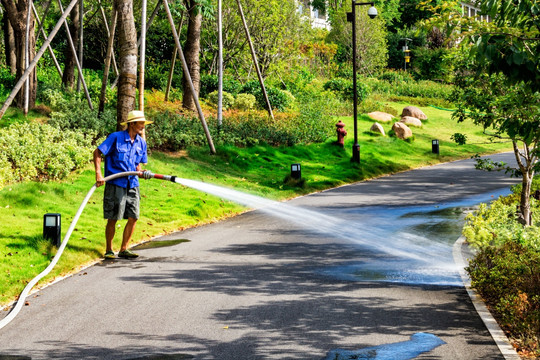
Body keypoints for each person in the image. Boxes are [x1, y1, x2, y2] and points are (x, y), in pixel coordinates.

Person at [93, 110, 153, 259]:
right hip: (116, 182)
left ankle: (124, 249)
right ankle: (109, 250)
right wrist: (99, 174)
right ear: (132, 124)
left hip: (132, 183)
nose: (143, 127)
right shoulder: (116, 137)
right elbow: (97, 153)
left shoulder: (141, 143)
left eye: (144, 124)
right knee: (113, 217)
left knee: (134, 216)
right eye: (141, 123)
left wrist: (142, 172)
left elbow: (137, 165)